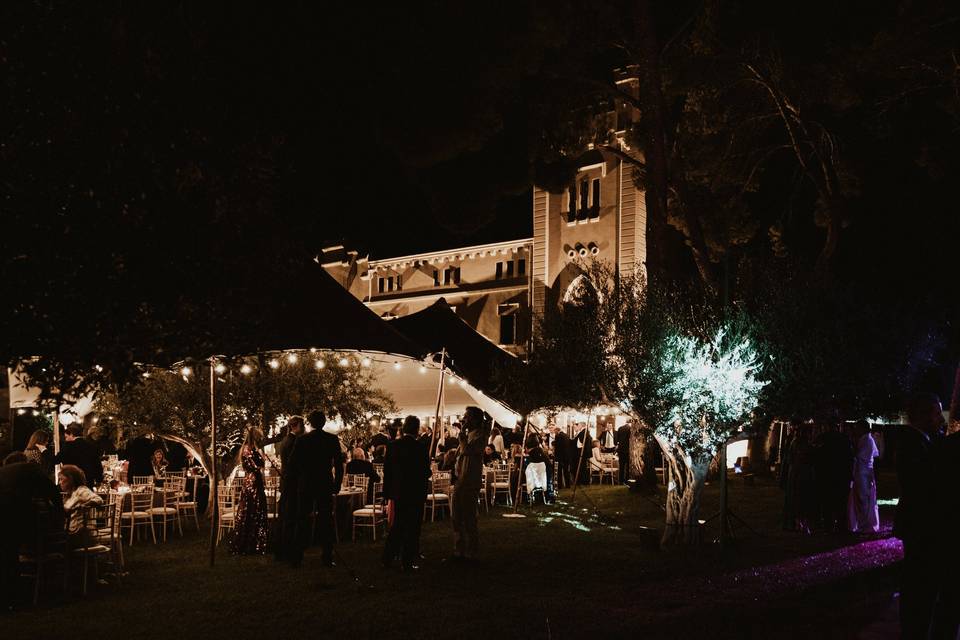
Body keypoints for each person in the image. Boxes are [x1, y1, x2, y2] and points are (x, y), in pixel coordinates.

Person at [895, 392, 945, 639]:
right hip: (919, 524)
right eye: (937, 413)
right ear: (925, 414)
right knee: (918, 582)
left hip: (919, 523)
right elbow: (923, 485)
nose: (940, 419)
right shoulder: (913, 444)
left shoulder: (922, 441)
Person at [0, 453, 64, 611]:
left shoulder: (3, 471)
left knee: (6, 554)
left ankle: (9, 595)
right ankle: (13, 596)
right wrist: (59, 516)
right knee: (10, 553)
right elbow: (51, 491)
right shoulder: (30, 468)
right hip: (12, 513)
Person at [282, 410, 343, 568]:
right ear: (323, 422)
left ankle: (297, 557)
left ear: (310, 422)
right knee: (326, 519)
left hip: (306, 483)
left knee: (302, 519)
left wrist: (300, 476)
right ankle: (327, 556)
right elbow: (338, 464)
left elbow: (292, 462)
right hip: (324, 483)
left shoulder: (302, 440)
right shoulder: (331, 439)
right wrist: (337, 484)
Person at [382, 415, 431, 572]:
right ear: (417, 430)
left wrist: (387, 491)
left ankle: (388, 556)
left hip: (399, 491)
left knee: (398, 524)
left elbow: (387, 471)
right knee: (413, 526)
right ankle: (407, 561)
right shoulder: (421, 447)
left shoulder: (393, 446)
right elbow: (425, 471)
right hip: (415, 491)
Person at [450, 406, 491, 561]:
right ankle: (458, 549)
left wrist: (461, 436)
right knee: (456, 516)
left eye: (466, 417)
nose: (463, 419)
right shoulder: (468, 435)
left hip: (470, 481)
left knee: (468, 517)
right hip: (461, 479)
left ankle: (471, 551)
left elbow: (468, 450)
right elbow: (462, 454)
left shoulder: (480, 436)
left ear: (474, 419)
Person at [231, 427, 269, 555]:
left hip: (252, 481)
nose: (260, 439)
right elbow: (256, 466)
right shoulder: (249, 449)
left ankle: (256, 541)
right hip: (252, 482)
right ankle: (251, 542)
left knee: (255, 510)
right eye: (259, 437)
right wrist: (261, 462)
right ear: (255, 436)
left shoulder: (251, 449)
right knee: (253, 510)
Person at [275, 416, 305, 562]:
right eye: (302, 424)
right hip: (292, 483)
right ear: (296, 426)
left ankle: (283, 548)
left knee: (286, 516)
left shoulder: (285, 441)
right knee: (290, 516)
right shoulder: (293, 442)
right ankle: (287, 549)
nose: (304, 427)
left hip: (286, 482)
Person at [813, 423, 852, 533]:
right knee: (840, 502)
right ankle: (840, 525)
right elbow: (849, 458)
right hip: (841, 475)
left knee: (827, 502)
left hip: (826, 475)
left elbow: (816, 457)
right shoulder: (844, 439)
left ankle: (828, 525)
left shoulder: (822, 438)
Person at [847, 420, 879, 534]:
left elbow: (859, 455)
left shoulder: (867, 440)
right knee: (861, 498)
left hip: (863, 473)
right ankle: (862, 523)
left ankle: (865, 525)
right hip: (862, 472)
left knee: (863, 498)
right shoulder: (866, 439)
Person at [59, 464, 103, 547]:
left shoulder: (81, 490)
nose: (60, 482)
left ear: (70, 479)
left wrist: (83, 506)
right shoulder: (70, 494)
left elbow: (98, 499)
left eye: (62, 479)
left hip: (81, 534)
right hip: (72, 532)